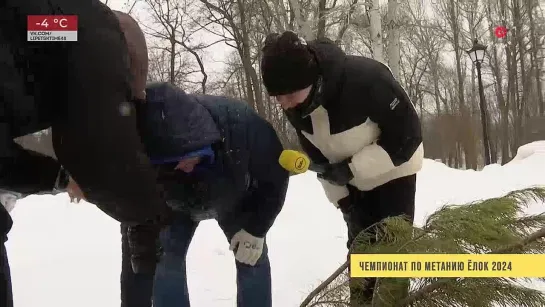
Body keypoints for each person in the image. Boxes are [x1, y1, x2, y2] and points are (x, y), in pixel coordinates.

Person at [0, 2, 170, 306]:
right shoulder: (94, 36)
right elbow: (104, 146)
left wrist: (59, 177)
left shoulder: (51, 29)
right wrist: (150, 212)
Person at [260, 31, 424, 305]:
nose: (284, 104)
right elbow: (319, 158)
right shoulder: (296, 105)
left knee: (393, 249)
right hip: (349, 180)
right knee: (360, 250)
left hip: (395, 169)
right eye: (278, 97)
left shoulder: (369, 80)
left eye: (288, 94)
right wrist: (345, 203)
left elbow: (407, 136)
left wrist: (352, 168)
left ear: (310, 80)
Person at [126, 81, 288, 307]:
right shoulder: (144, 145)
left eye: (183, 160)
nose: (180, 168)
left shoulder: (244, 125)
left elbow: (275, 178)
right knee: (165, 257)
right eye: (169, 164)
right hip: (174, 203)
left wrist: (256, 229)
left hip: (234, 197)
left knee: (251, 256)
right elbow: (136, 201)